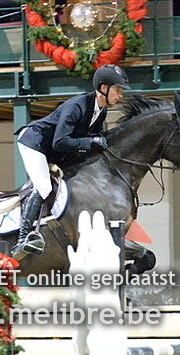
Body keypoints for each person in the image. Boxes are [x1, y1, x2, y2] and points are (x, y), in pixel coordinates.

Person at [11, 64, 130, 260]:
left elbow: (90, 140)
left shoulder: (100, 111)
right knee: (43, 187)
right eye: (117, 90)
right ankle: (22, 239)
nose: (121, 95)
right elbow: (60, 142)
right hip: (35, 143)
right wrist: (91, 142)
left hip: (55, 150)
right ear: (103, 88)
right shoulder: (76, 106)